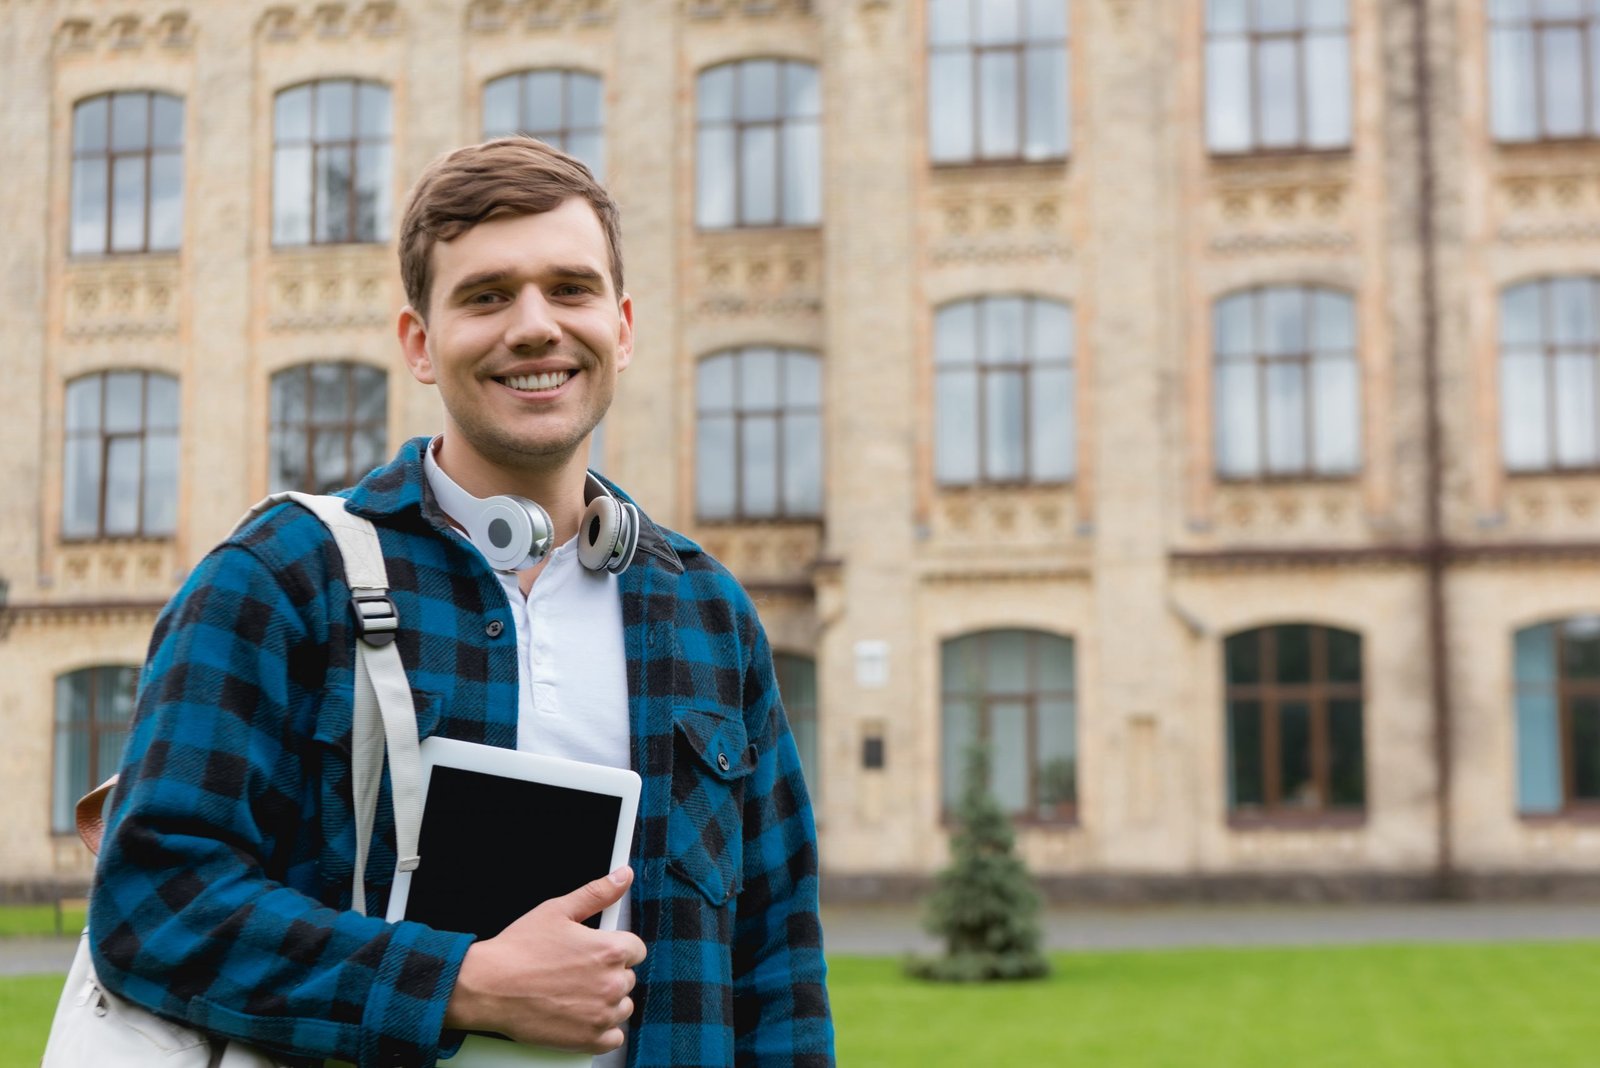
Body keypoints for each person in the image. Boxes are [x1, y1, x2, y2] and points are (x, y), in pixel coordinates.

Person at [89, 138, 835, 1068]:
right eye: (487, 296)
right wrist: (459, 984)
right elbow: (155, 903)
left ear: (622, 327)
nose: (535, 326)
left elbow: (778, 968)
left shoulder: (708, 614)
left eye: (570, 289)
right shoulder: (281, 579)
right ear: (419, 343)